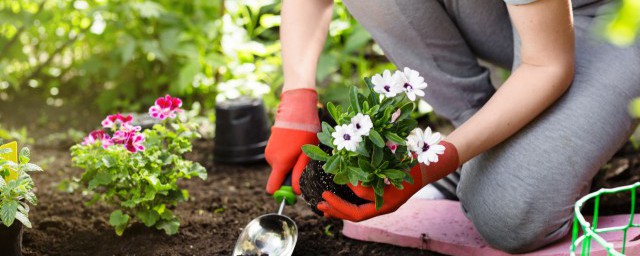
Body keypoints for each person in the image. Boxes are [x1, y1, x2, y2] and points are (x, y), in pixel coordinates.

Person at [264, 0, 640, 253]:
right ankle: (480, 149)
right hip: (515, 15)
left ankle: (495, 161)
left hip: (613, 18)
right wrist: (296, 100)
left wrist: (429, 165)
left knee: (507, 215)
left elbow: (548, 65)